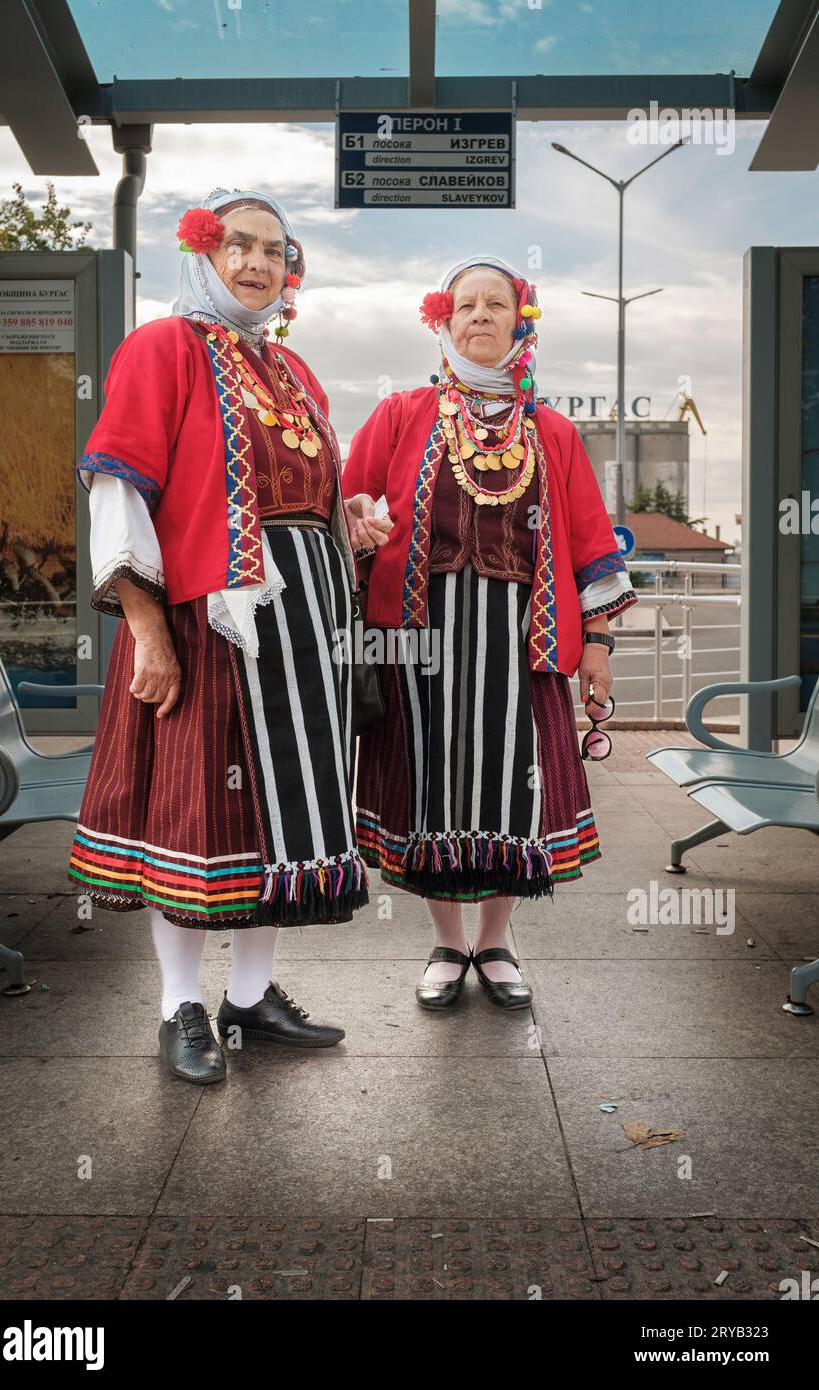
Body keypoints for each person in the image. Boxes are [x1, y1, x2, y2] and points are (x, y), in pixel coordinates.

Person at [69, 188, 383, 1083]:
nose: (256, 264)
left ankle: (251, 996)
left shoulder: (294, 372)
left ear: (291, 272)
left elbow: (300, 498)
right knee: (197, 812)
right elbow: (118, 491)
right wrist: (147, 631)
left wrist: (346, 515)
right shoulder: (162, 347)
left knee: (272, 815)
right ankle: (179, 1006)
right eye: (237, 245)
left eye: (273, 252)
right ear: (203, 254)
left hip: (303, 622)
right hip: (208, 620)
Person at [341, 256, 636, 1011]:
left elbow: (589, 542)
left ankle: (497, 941)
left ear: (518, 320)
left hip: (522, 640)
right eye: (464, 304)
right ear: (442, 320)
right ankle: (446, 941)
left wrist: (597, 643)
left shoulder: (554, 432)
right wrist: (359, 525)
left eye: (495, 304)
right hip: (420, 638)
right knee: (428, 783)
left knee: (516, 790)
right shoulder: (401, 414)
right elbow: (346, 509)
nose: (479, 315)